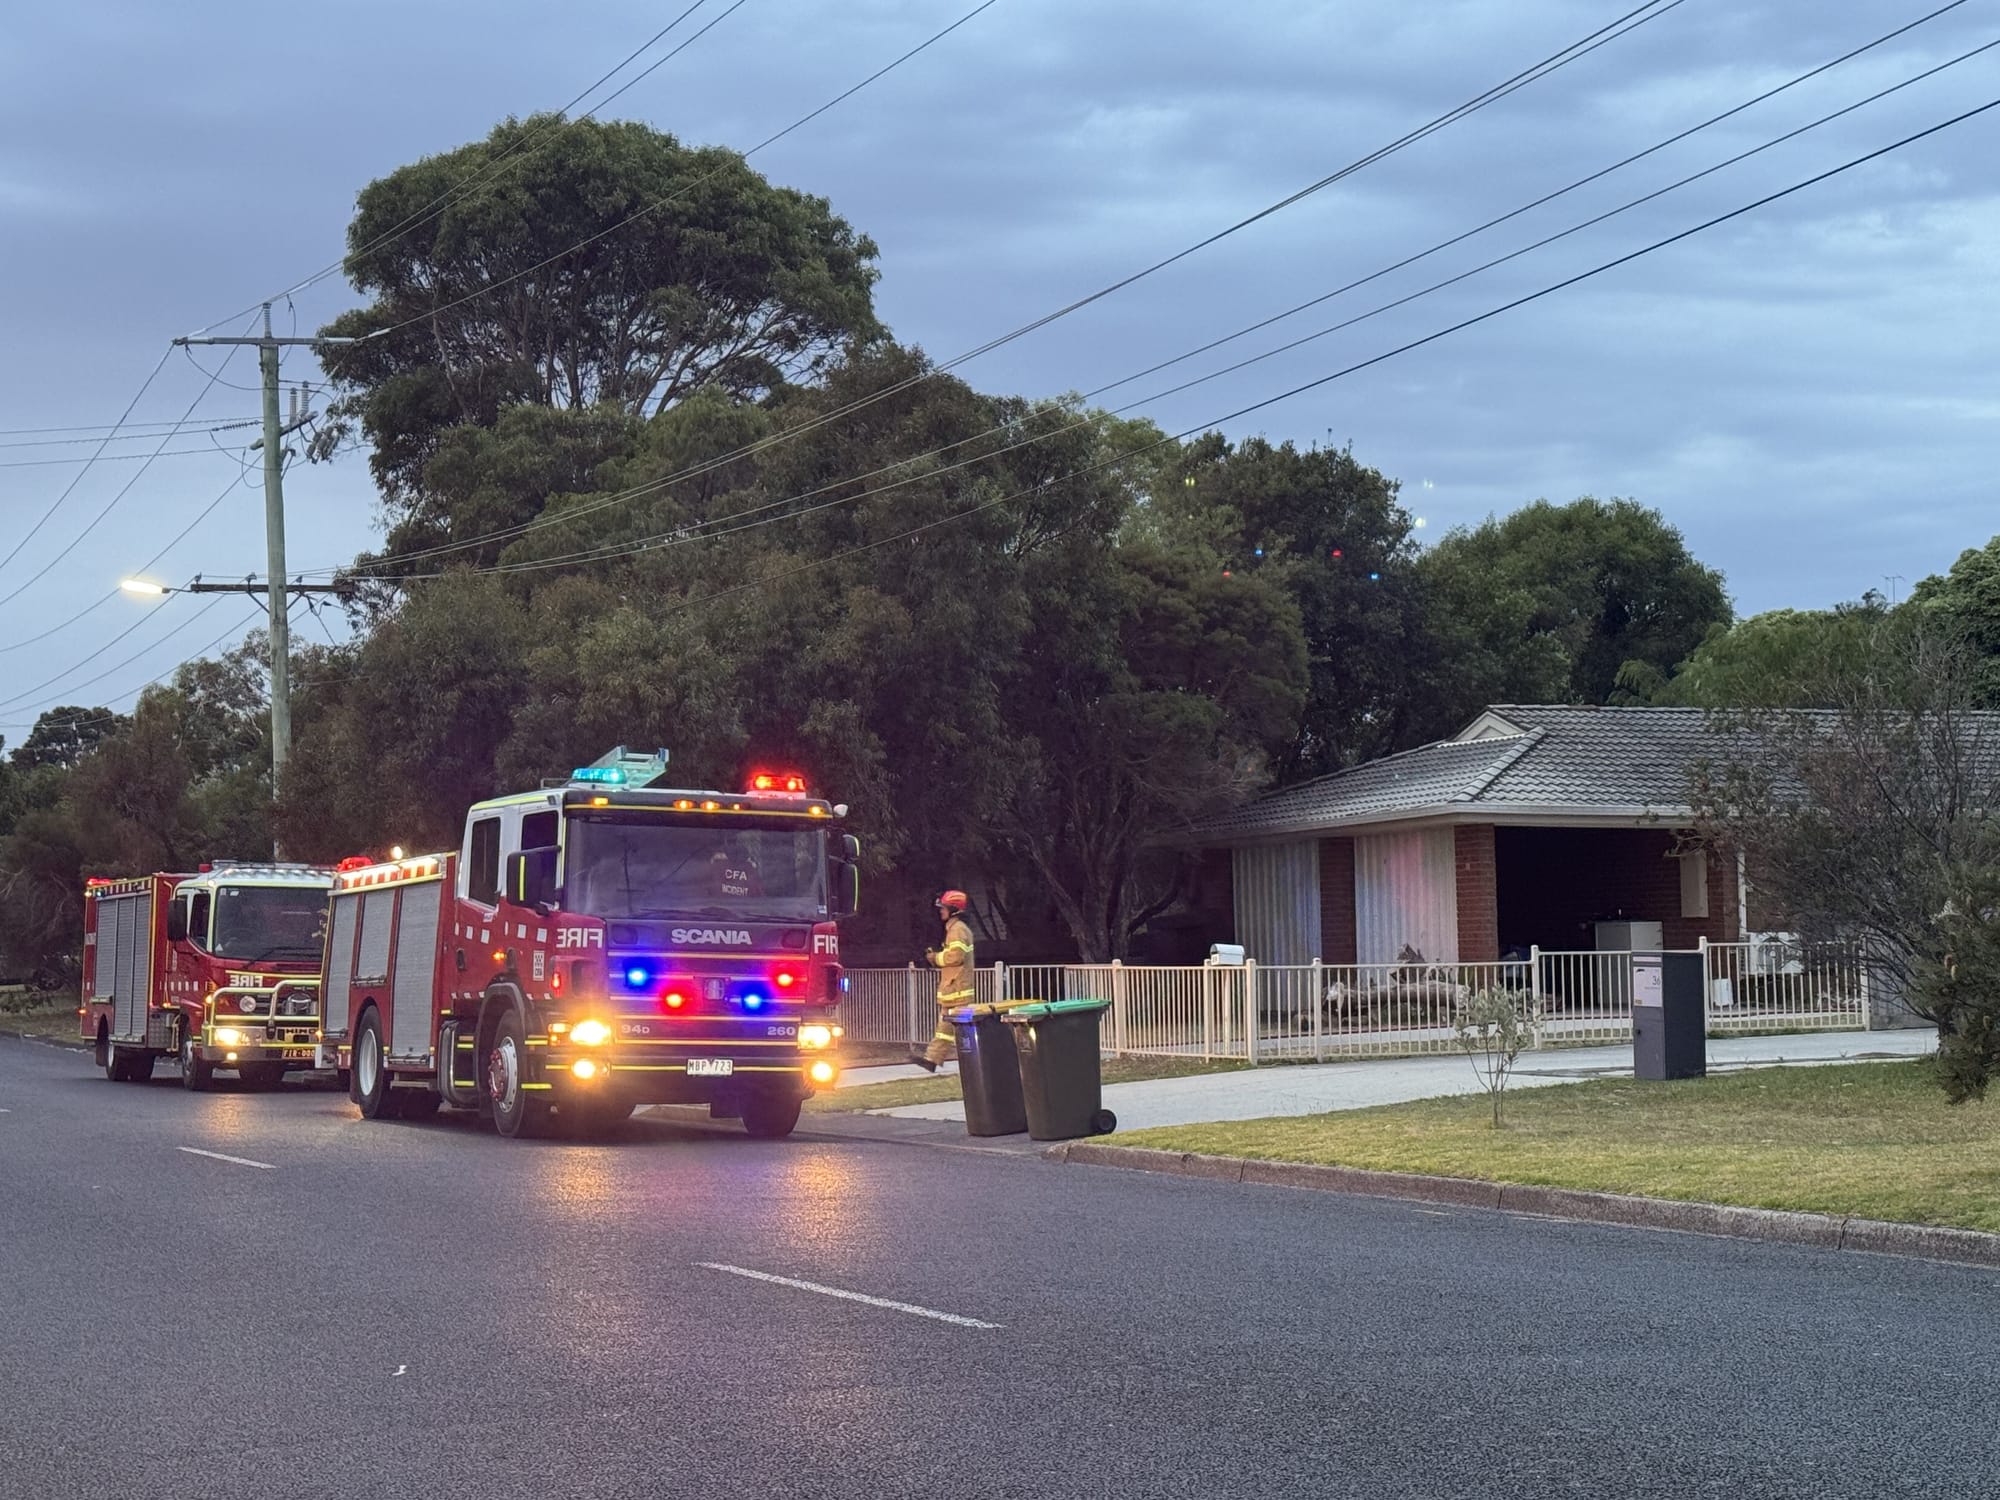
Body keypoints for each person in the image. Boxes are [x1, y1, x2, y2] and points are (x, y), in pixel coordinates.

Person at [910, 890, 975, 1072]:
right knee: (944, 1030)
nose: (941, 911)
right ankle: (931, 1060)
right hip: (953, 989)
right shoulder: (954, 929)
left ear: (953, 909)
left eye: (944, 908)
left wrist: (935, 958)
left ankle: (975, 1060)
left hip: (958, 989)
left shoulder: (958, 930)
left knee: (966, 1030)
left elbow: (955, 957)